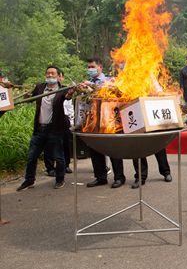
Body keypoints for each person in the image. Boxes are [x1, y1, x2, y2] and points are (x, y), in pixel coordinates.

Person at [17, 66, 73, 191]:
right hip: (39, 129)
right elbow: (29, 99)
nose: (50, 75)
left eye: (53, 73)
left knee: (58, 157)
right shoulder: (40, 87)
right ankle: (29, 180)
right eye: (48, 73)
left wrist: (71, 93)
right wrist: (25, 94)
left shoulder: (63, 89)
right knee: (32, 156)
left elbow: (68, 96)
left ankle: (60, 179)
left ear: (58, 76)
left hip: (55, 129)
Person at [83, 57, 126, 188]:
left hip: (108, 121)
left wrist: (93, 87)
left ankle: (119, 177)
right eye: (88, 67)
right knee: (95, 149)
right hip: (92, 121)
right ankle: (100, 177)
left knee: (113, 149)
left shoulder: (109, 80)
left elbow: (114, 91)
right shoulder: (88, 82)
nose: (90, 69)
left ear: (100, 67)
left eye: (92, 67)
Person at [44, 69, 74, 175]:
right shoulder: (47, 89)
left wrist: (71, 121)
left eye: (59, 76)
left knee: (65, 143)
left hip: (65, 120)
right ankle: (50, 168)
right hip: (51, 119)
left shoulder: (65, 89)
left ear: (61, 77)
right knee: (49, 145)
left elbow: (70, 106)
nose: (58, 78)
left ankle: (66, 165)